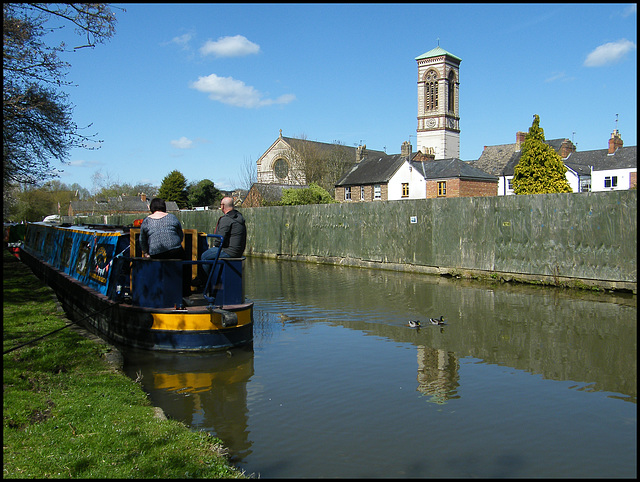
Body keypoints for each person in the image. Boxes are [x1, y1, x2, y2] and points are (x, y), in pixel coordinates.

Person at [193, 196, 246, 288]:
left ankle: (205, 283)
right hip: (238, 251)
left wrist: (215, 245)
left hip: (229, 251)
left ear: (222, 206)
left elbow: (219, 238)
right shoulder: (238, 217)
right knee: (210, 254)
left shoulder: (226, 219)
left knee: (204, 256)